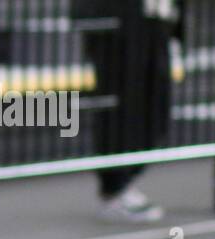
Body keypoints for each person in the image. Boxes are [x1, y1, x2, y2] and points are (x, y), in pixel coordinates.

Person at [73, 0, 182, 223]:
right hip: (119, 24)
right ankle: (115, 187)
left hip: (153, 20)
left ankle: (123, 183)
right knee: (121, 105)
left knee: (155, 105)